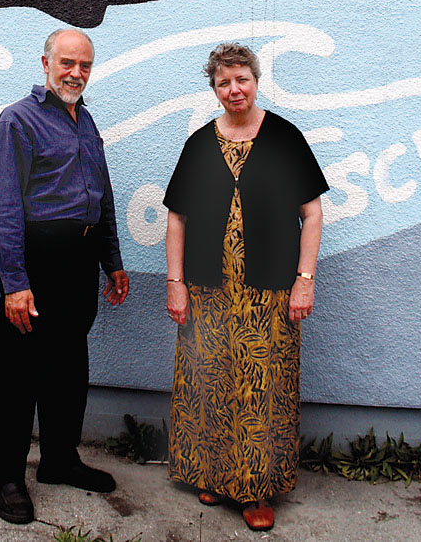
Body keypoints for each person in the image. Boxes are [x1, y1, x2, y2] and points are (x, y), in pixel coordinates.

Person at [163, 43, 328, 532]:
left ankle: (256, 489)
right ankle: (211, 474)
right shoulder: (199, 144)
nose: (234, 90)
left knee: (262, 388)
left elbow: (312, 214)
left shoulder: (285, 138)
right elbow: (176, 220)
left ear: (256, 81)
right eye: (223, 83)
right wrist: (175, 284)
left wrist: (304, 281)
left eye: (242, 80)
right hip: (208, 292)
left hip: (269, 294)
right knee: (209, 381)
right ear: (214, 89)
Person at [0, 28, 130, 525]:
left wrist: (112, 260)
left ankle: (59, 460)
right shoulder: (18, 120)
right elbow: (4, 206)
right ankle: (8, 477)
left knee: (69, 366)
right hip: (36, 260)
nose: (76, 73)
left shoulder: (85, 121)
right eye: (67, 63)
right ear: (45, 62)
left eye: (84, 65)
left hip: (80, 259)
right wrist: (14, 282)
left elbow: (102, 195)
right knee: (18, 372)